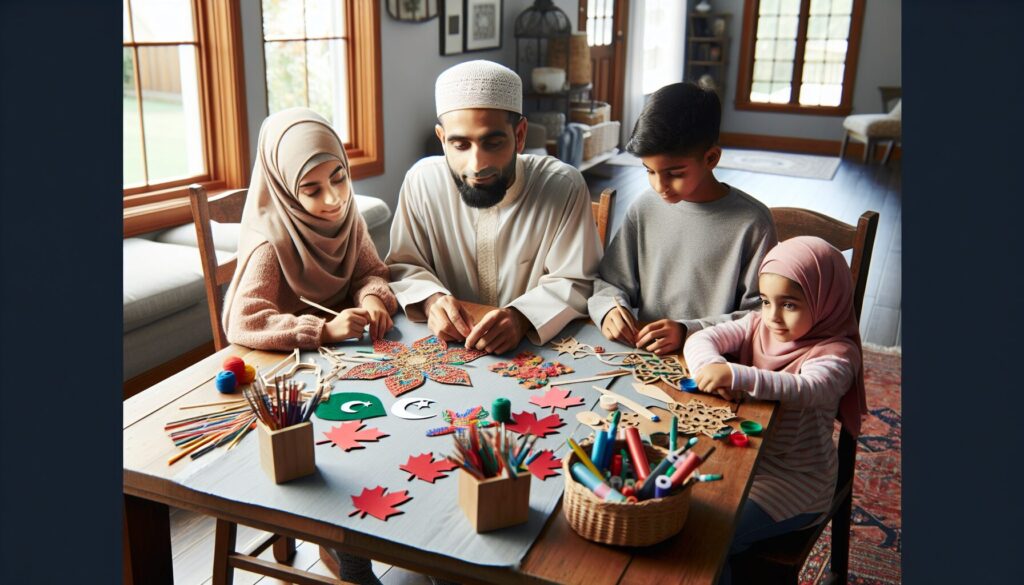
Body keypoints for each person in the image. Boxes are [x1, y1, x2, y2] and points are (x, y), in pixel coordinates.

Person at [682, 236, 868, 585]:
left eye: (790, 305)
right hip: (742, 456)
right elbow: (699, 339)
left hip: (795, 479)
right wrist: (710, 365)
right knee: (680, 514)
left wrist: (738, 374)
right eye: (766, 301)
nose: (773, 316)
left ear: (825, 300)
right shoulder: (758, 324)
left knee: (712, 540)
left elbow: (811, 389)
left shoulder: (837, 353)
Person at [386, 59, 602, 354]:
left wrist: (523, 316)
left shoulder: (563, 186)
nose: (477, 165)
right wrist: (431, 299)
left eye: (493, 143)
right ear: (442, 140)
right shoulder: (421, 182)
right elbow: (404, 265)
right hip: (448, 352)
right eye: (460, 145)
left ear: (520, 135)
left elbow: (577, 281)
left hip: (536, 355)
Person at [588, 81, 776, 356]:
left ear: (711, 158)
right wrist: (608, 310)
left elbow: (761, 315)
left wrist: (690, 330)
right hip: (645, 356)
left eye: (674, 174)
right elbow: (609, 282)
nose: (659, 186)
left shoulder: (753, 223)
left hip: (716, 362)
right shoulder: (644, 209)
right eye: (649, 171)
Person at [222, 107, 397, 351]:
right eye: (312, 190)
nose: (334, 199)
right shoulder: (272, 244)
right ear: (287, 192)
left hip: (350, 348)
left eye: (339, 178)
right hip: (290, 360)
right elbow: (243, 323)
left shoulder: (348, 219)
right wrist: (324, 330)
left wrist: (373, 299)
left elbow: (370, 272)